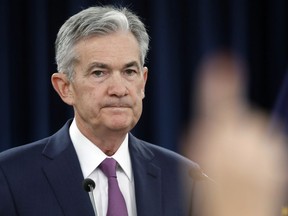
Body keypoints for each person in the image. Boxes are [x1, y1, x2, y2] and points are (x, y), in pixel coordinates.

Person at [0, 5, 204, 216]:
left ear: (143, 83)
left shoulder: (185, 179)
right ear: (65, 87)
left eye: (129, 71)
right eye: (99, 73)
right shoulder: (9, 176)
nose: (118, 89)